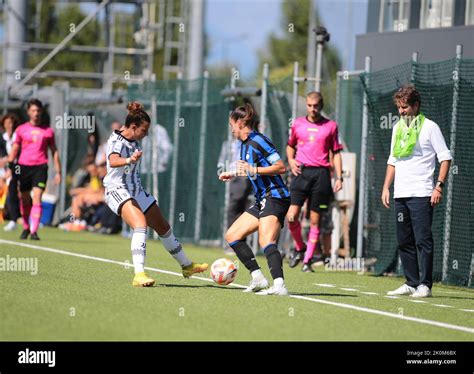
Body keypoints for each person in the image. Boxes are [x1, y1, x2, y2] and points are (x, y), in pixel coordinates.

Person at [103, 101, 208, 287]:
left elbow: (129, 122)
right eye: (144, 130)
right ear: (134, 128)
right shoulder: (116, 141)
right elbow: (113, 161)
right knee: (140, 224)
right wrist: (129, 159)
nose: (146, 134)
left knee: (163, 227)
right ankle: (139, 274)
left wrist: (135, 111)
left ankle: (187, 265)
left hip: (136, 190)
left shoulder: (130, 133)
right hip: (117, 190)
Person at [382, 85, 452, 298]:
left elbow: (445, 157)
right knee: (404, 240)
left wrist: (438, 186)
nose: (402, 111)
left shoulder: (430, 127)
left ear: (416, 106)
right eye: (399, 108)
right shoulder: (397, 128)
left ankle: (425, 285)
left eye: (405, 107)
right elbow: (393, 160)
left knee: (423, 239)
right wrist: (386, 187)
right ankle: (411, 282)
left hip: (422, 193)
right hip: (400, 194)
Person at [219, 103, 290, 296]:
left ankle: (279, 285)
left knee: (266, 240)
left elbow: (280, 166)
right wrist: (233, 174)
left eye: (232, 124)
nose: (231, 128)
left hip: (276, 196)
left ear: (240, 122)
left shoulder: (259, 141)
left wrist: (253, 170)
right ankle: (258, 278)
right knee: (232, 236)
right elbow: (250, 171)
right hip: (262, 199)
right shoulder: (243, 146)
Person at [286, 92, 343, 272]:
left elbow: (336, 152)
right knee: (292, 216)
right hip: (301, 173)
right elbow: (290, 146)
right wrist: (291, 160)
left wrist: (339, 177)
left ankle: (307, 260)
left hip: (321, 175)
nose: (312, 109)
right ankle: (300, 248)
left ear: (321, 105)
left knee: (315, 220)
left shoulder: (331, 126)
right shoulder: (297, 124)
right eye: (309, 105)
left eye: (316, 105)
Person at [7, 99, 62, 240]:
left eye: (38, 110)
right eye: (33, 110)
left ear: (41, 112)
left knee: (37, 197)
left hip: (40, 167)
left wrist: (58, 172)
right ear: (28, 112)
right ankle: (26, 227)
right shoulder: (21, 130)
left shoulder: (48, 132)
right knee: (25, 199)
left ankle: (34, 231)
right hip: (23, 167)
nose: (36, 113)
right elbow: (15, 149)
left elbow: (54, 151)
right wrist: (10, 167)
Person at [218, 133, 252, 228]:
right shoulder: (227, 145)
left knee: (235, 207)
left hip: (244, 177)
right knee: (235, 207)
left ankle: (235, 235)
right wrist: (222, 171)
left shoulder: (248, 144)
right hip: (232, 177)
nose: (233, 131)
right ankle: (235, 235)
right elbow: (221, 161)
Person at [0, 113, 21, 231]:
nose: (10, 125)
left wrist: (11, 169)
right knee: (10, 192)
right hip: (5, 170)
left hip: (18, 168)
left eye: (12, 123)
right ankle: (13, 219)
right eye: (7, 123)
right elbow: (3, 156)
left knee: (17, 192)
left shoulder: (18, 137)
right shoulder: (2, 138)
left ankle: (17, 218)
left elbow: (17, 156)